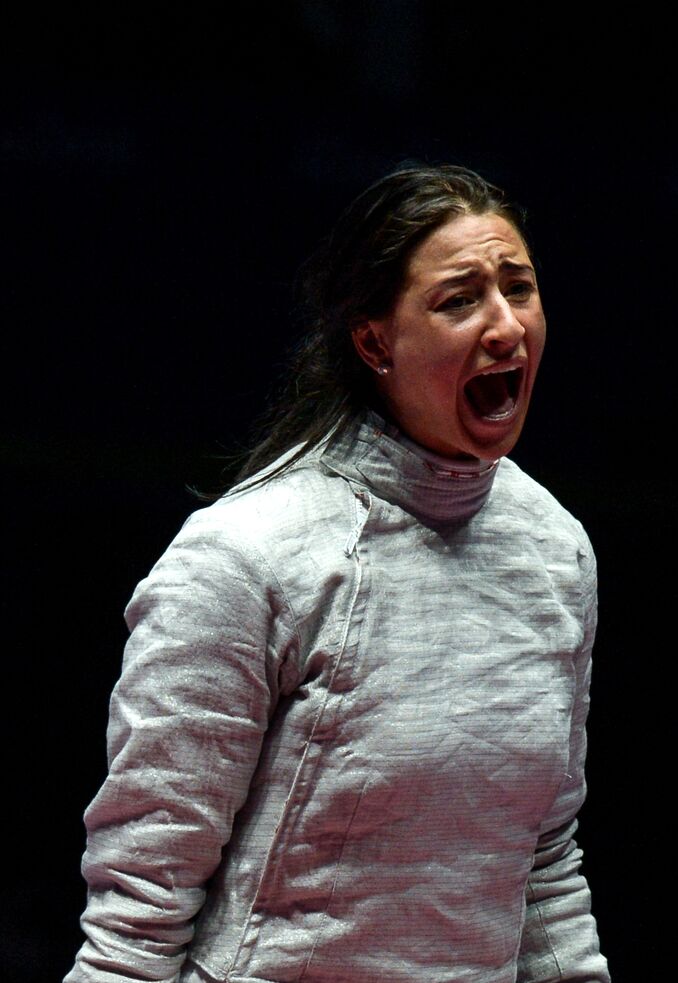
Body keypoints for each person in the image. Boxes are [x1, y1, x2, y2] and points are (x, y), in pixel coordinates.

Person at [66, 164, 611, 982]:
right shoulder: (250, 554)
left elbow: (540, 865)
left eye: (519, 288)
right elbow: (137, 910)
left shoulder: (555, 551)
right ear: (374, 340)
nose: (507, 327)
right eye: (461, 299)